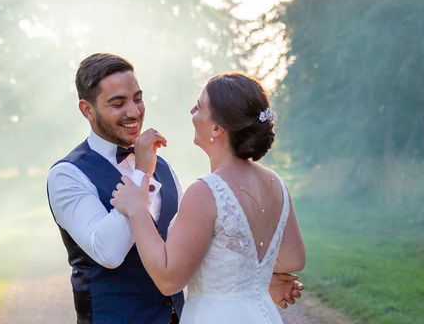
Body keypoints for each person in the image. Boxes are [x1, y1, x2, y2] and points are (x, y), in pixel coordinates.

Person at [47, 54, 303, 324]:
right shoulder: (68, 174)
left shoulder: (164, 167)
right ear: (87, 110)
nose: (134, 112)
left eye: (137, 98)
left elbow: (196, 245)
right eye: (118, 103)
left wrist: (255, 278)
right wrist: (140, 174)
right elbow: (108, 253)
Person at [112, 72, 306, 323]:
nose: (192, 111)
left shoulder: (206, 191)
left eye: (200, 106)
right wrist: (253, 277)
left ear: (216, 127)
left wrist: (137, 208)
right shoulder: (276, 184)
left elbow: (169, 280)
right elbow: (294, 258)